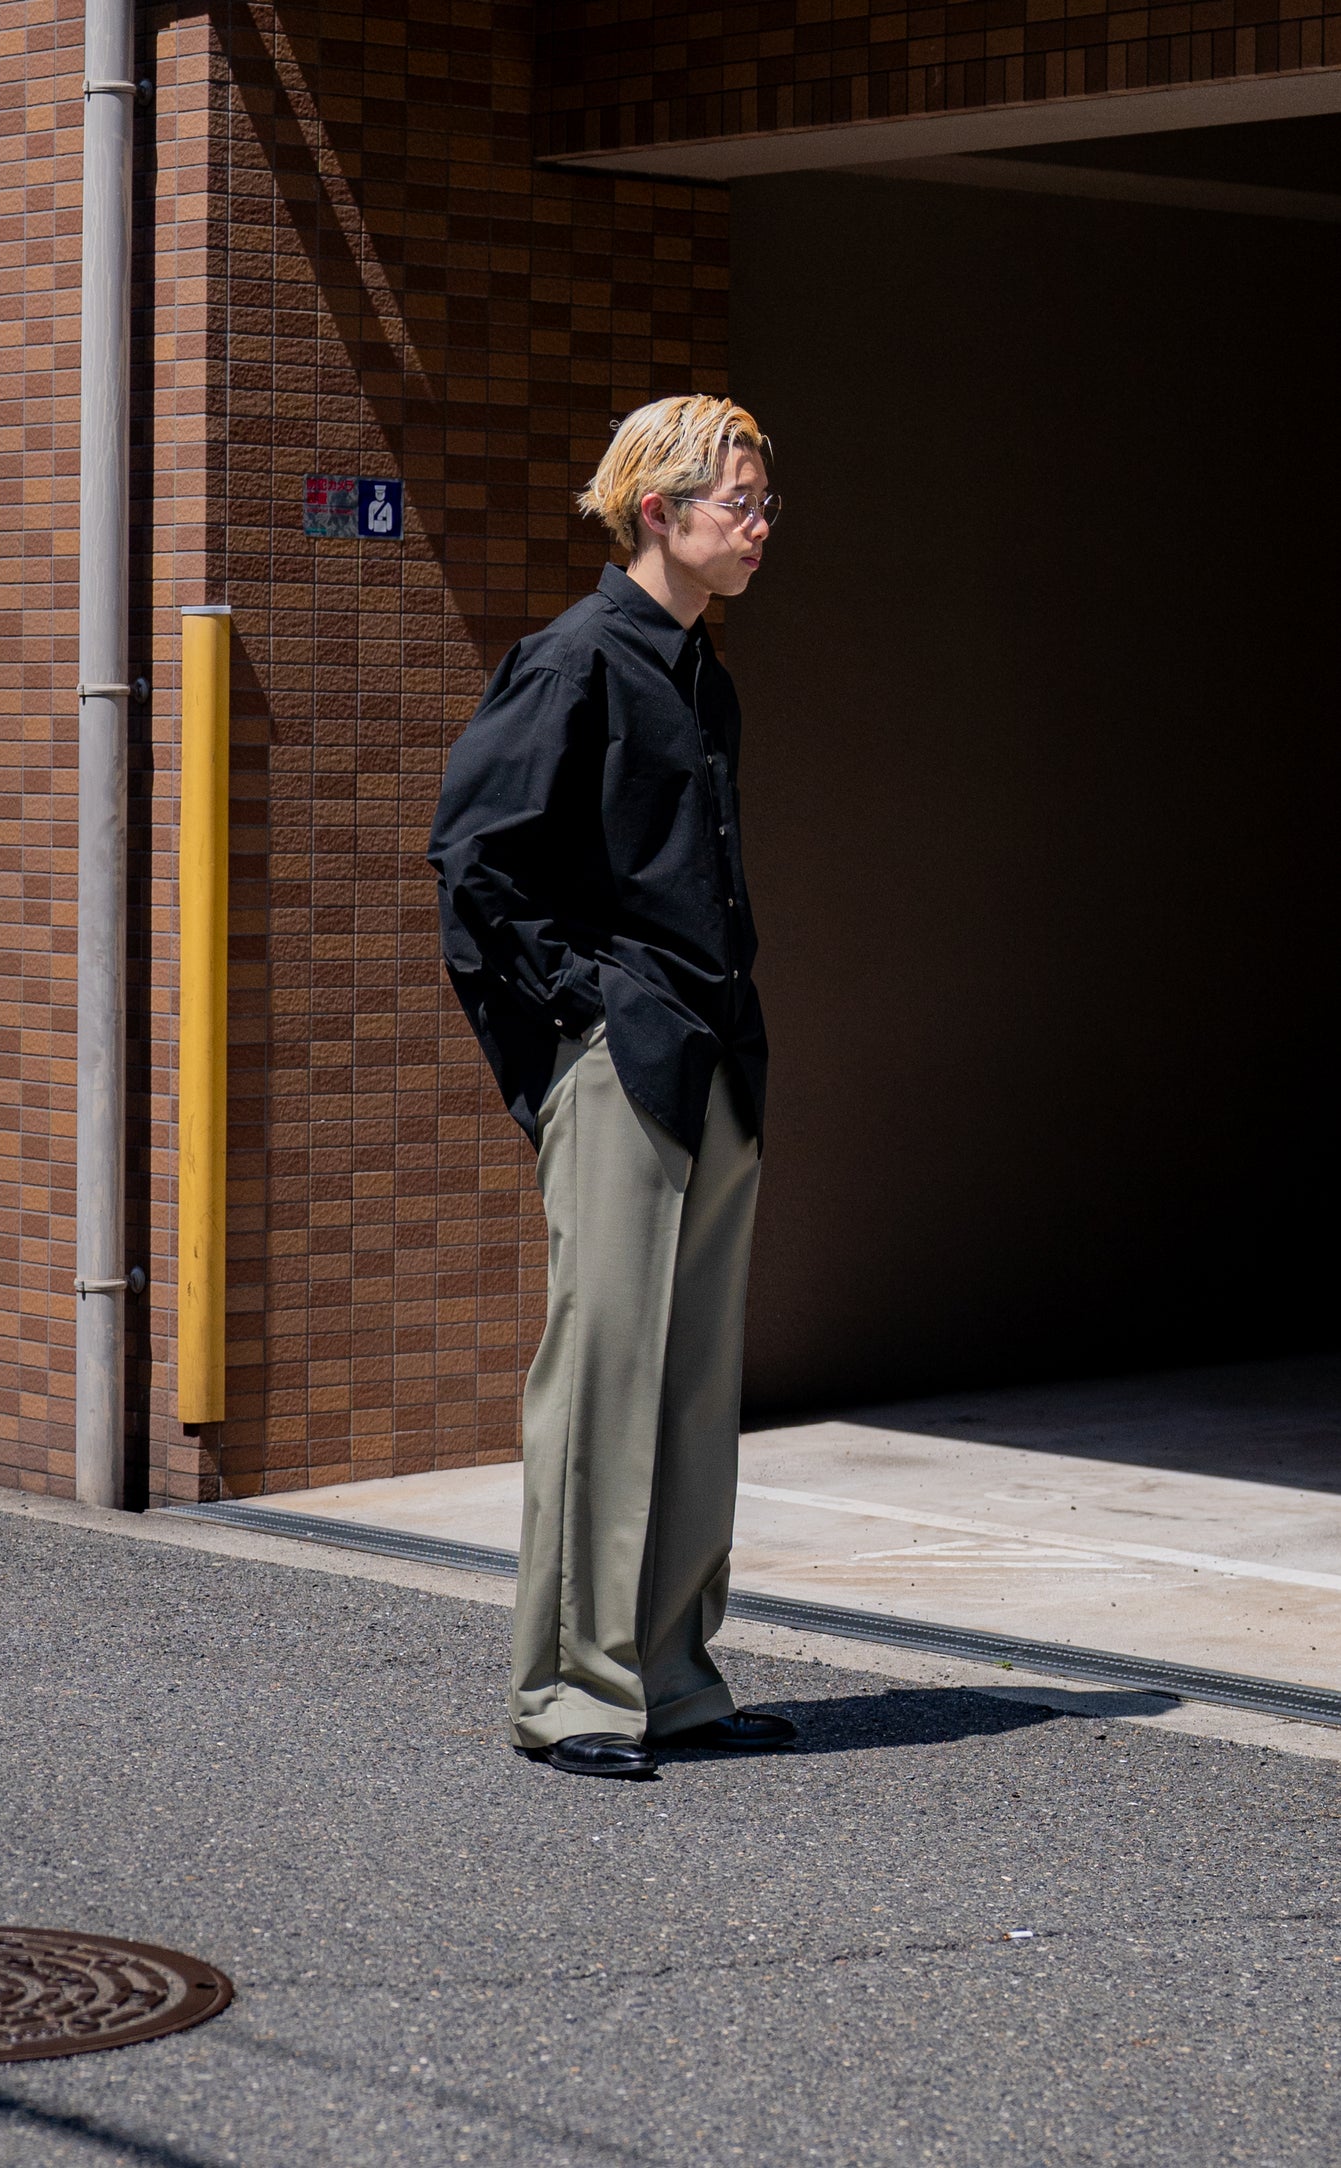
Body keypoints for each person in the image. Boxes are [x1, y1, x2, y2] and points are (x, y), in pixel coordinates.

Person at [428, 394, 794, 1779]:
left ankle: (674, 1679)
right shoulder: (573, 659)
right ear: (659, 511)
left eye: (763, 505)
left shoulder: (703, 674)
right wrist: (580, 1016)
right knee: (602, 1377)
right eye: (739, 505)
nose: (760, 529)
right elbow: (475, 860)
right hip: (625, 1059)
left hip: (715, 1057)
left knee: (691, 1387)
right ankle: (574, 1694)